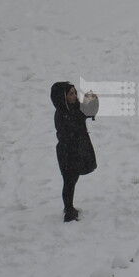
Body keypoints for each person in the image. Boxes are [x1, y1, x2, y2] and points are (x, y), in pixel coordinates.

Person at [50, 82, 99, 222]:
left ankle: (69, 207)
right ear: (63, 97)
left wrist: (93, 100)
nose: (74, 96)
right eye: (71, 94)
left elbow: (90, 111)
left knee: (73, 180)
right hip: (67, 153)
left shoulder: (76, 107)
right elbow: (66, 133)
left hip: (77, 151)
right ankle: (68, 212)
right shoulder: (61, 113)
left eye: (75, 93)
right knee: (69, 182)